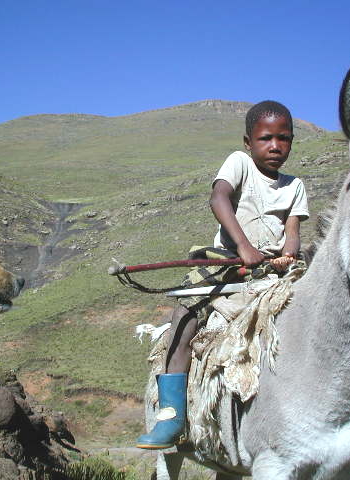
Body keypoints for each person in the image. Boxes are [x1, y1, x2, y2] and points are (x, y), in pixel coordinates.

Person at [136, 100, 309, 449]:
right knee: (184, 317)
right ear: (248, 142)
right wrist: (244, 246)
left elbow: (293, 233)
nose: (275, 146)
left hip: (270, 276)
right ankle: (171, 415)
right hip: (226, 267)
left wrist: (287, 255)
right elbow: (219, 199)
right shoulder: (239, 163)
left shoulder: (295, 186)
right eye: (265, 139)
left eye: (284, 138)